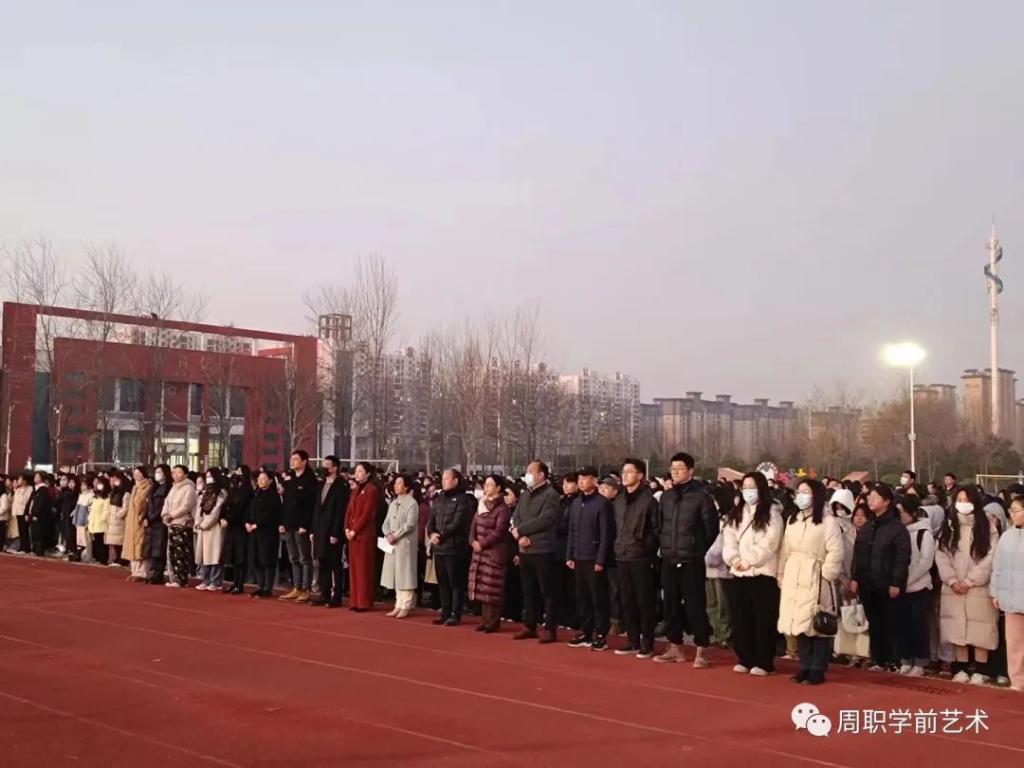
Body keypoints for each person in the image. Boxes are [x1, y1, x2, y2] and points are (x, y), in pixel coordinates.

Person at [655, 452, 718, 668]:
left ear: (690, 471)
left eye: (680, 468)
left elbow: (711, 529)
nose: (675, 472)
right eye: (672, 468)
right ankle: (675, 646)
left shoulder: (702, 497)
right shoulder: (666, 497)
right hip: (668, 558)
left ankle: (702, 648)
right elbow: (659, 526)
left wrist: (696, 549)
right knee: (670, 605)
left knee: (695, 605)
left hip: (691, 561)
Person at [777, 479, 843, 685]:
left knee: (817, 623)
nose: (800, 496)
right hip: (794, 574)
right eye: (799, 492)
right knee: (799, 622)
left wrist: (827, 573)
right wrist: (781, 574)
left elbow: (836, 549)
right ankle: (804, 665)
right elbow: (785, 550)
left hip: (817, 574)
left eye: (805, 492)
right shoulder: (793, 519)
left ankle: (818, 668)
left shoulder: (828, 521)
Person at [936, 485, 1000, 684]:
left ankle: (980, 670)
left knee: (980, 628)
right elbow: (941, 555)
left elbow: (991, 557)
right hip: (953, 588)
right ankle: (961, 668)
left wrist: (971, 580)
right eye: (959, 500)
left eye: (967, 500)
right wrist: (952, 580)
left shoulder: (987, 526)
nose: (963, 504)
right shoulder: (949, 526)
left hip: (978, 587)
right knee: (957, 628)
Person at [723, 471, 784, 676]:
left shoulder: (772, 514)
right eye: (745, 487)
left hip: (762, 574)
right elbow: (729, 538)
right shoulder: (736, 513)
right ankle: (745, 658)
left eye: (752, 487)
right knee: (741, 618)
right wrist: (734, 559)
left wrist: (748, 560)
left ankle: (764, 661)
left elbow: (769, 544)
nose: (748, 491)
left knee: (763, 620)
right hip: (739, 573)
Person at [850, 482, 911, 672]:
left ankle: (893, 660)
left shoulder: (897, 528)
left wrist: (896, 582)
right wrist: (855, 577)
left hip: (887, 584)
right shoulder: (868, 526)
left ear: (886, 501)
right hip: (867, 583)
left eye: (875, 498)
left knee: (890, 623)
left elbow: (902, 558)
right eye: (869, 497)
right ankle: (878, 659)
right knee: (874, 622)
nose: (870, 501)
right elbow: (858, 554)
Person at [511, 460, 563, 644]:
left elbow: (546, 520)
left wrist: (522, 531)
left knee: (547, 591)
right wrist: (519, 535)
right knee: (528, 590)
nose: (527, 474)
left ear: (541, 475)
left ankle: (550, 628)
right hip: (524, 549)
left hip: (542, 548)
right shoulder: (525, 494)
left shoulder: (551, 494)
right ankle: (529, 625)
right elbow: (516, 516)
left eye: (531, 471)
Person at [612, 459, 659, 658]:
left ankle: (647, 643)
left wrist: (645, 547)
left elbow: (656, 530)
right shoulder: (619, 500)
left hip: (641, 558)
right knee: (627, 601)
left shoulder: (649, 501)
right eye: (623, 472)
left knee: (644, 602)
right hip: (622, 556)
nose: (624, 475)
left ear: (640, 475)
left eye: (629, 472)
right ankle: (632, 641)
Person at [565, 467, 614, 651]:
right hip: (578, 557)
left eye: (585, 478)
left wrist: (600, 560)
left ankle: (601, 634)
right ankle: (586, 631)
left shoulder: (602, 504)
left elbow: (606, 534)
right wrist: (569, 554)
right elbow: (572, 530)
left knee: (598, 598)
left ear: (594, 480)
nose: (581, 482)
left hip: (594, 559)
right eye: (580, 479)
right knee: (582, 597)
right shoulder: (576, 503)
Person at [426, 468, 474, 625]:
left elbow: (458, 523)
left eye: (447, 479)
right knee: (442, 582)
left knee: (456, 582)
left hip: (454, 547)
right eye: (443, 479)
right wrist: (431, 533)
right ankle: (445, 612)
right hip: (439, 548)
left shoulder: (463, 499)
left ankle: (455, 613)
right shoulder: (439, 498)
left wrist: (441, 535)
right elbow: (431, 520)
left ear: (455, 480)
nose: (444, 481)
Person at [896, 495, 935, 676]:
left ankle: (920, 660)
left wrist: (907, 580)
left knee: (919, 626)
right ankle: (905, 658)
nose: (899, 516)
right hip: (900, 587)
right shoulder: (898, 532)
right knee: (902, 624)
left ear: (912, 512)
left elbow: (925, 562)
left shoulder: (923, 533)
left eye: (902, 512)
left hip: (919, 587)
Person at [468, 474, 513, 633]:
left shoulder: (503, 508)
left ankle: (493, 621)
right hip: (479, 552)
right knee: (482, 586)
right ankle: (485, 619)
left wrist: (482, 543)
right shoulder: (481, 504)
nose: (486, 487)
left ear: (498, 488)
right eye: (485, 484)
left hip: (494, 552)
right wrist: (473, 540)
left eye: (490, 484)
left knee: (492, 588)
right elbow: (473, 525)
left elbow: (499, 531)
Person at [992, 496, 1024, 691]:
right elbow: (998, 566)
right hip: (1011, 599)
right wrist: (995, 592)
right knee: (1014, 644)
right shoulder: (1007, 536)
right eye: (1010, 510)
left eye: (1016, 510)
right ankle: (1018, 682)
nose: (1012, 514)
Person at [279, 450, 318, 603]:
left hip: (301, 525)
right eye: (292, 459)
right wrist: (282, 522)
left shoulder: (310, 480)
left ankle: (307, 589)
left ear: (304, 461)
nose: (292, 461)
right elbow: (286, 504)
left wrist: (305, 525)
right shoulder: (290, 480)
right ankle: (297, 587)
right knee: (293, 558)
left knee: (304, 558)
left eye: (296, 459)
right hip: (289, 523)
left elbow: (310, 506)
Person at [310, 456, 349, 607]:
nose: (324, 467)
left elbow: (340, 511)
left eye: (327, 465)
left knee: (335, 564)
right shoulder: (320, 484)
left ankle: (336, 596)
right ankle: (324, 594)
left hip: (332, 531)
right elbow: (316, 509)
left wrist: (335, 533)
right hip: (319, 530)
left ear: (334, 468)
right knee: (322, 563)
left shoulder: (341, 485)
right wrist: (313, 530)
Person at [382, 473, 420, 618]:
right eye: (395, 483)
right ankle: (398, 604)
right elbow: (386, 523)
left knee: (406, 574)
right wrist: (387, 534)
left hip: (405, 543)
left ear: (406, 486)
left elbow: (410, 524)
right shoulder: (393, 503)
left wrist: (395, 535)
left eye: (399, 483)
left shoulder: (412, 503)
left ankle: (406, 604)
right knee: (396, 574)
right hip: (393, 544)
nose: (396, 486)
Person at [345, 462, 380, 612]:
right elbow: (349, 511)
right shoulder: (355, 489)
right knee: (354, 568)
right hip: (353, 535)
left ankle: (364, 602)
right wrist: (347, 528)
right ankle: (355, 600)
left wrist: (355, 530)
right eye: (356, 471)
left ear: (368, 474)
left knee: (363, 568)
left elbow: (367, 514)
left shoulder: (372, 490)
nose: (357, 474)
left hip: (364, 535)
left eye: (360, 471)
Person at [248, 468, 282, 598]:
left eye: (263, 479)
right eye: (259, 479)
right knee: (257, 559)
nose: (260, 481)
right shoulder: (256, 494)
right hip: (255, 531)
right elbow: (250, 510)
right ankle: (260, 586)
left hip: (268, 532)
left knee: (267, 560)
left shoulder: (273, 496)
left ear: (270, 480)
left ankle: (267, 587)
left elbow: (271, 514)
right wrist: (248, 522)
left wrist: (257, 524)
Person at [162, 465, 197, 588]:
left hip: (183, 523)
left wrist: (172, 515)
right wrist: (165, 515)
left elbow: (186, 506)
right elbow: (167, 503)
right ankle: (174, 578)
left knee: (180, 553)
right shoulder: (174, 487)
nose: (175, 475)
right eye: (174, 473)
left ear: (185, 474)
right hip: (172, 523)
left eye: (179, 472)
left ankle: (181, 579)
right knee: (172, 552)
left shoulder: (189, 488)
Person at [195, 468, 228, 591]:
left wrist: (205, 524)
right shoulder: (205, 492)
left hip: (214, 527)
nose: (208, 479)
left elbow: (216, 510)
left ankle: (215, 581)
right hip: (203, 527)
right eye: (207, 476)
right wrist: (198, 522)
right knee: (204, 555)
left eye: (210, 476)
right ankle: (206, 580)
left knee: (214, 555)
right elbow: (199, 509)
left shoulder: (221, 492)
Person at [222, 465, 254, 594]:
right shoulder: (234, 488)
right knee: (233, 555)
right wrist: (224, 518)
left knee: (240, 556)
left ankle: (240, 584)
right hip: (231, 526)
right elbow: (227, 504)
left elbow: (243, 508)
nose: (237, 473)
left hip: (240, 525)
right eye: (236, 471)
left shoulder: (247, 490)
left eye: (240, 471)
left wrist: (231, 519)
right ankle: (234, 583)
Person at [122, 467, 152, 581]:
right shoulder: (135, 487)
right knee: (132, 546)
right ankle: (134, 571)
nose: (136, 475)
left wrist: (142, 516)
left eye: (139, 473)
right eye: (134, 473)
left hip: (140, 520)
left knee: (140, 546)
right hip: (131, 520)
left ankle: (142, 573)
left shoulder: (147, 486)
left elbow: (141, 503)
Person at [144, 465, 172, 584]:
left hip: (160, 522)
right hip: (151, 521)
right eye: (156, 472)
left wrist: (153, 517)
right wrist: (146, 517)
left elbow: (163, 506)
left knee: (159, 548)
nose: (157, 474)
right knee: (151, 548)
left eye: (160, 472)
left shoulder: (168, 488)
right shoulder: (154, 487)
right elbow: (148, 504)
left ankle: (158, 573)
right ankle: (152, 572)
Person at [26, 471, 55, 557]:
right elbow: (30, 502)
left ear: (42, 478)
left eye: (37, 477)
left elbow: (41, 504)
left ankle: (39, 552)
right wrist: (27, 513)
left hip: (39, 518)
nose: (35, 478)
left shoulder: (43, 490)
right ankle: (34, 550)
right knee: (34, 534)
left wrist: (35, 514)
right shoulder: (36, 489)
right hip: (32, 516)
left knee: (39, 535)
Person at [105, 471, 128, 566]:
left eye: (116, 479)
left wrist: (118, 515)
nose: (114, 481)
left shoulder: (125, 493)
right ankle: (117, 557)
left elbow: (126, 507)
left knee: (120, 540)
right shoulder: (114, 492)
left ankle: (122, 558)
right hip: (112, 519)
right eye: (113, 479)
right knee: (114, 541)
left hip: (119, 520)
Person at [88, 476, 111, 564]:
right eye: (98, 484)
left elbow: (106, 511)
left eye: (100, 484)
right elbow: (92, 510)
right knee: (96, 542)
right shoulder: (96, 497)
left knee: (102, 543)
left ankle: (103, 559)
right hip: (94, 523)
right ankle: (98, 558)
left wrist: (102, 519)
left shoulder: (106, 498)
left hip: (101, 524)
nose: (98, 485)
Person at [11, 472, 32, 553]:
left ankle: (26, 547)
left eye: (20, 479)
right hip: (17, 512)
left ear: (24, 481)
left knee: (24, 530)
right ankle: (22, 546)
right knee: (20, 530)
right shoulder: (18, 489)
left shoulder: (29, 489)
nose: (18, 481)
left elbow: (26, 500)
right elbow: (15, 502)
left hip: (24, 512)